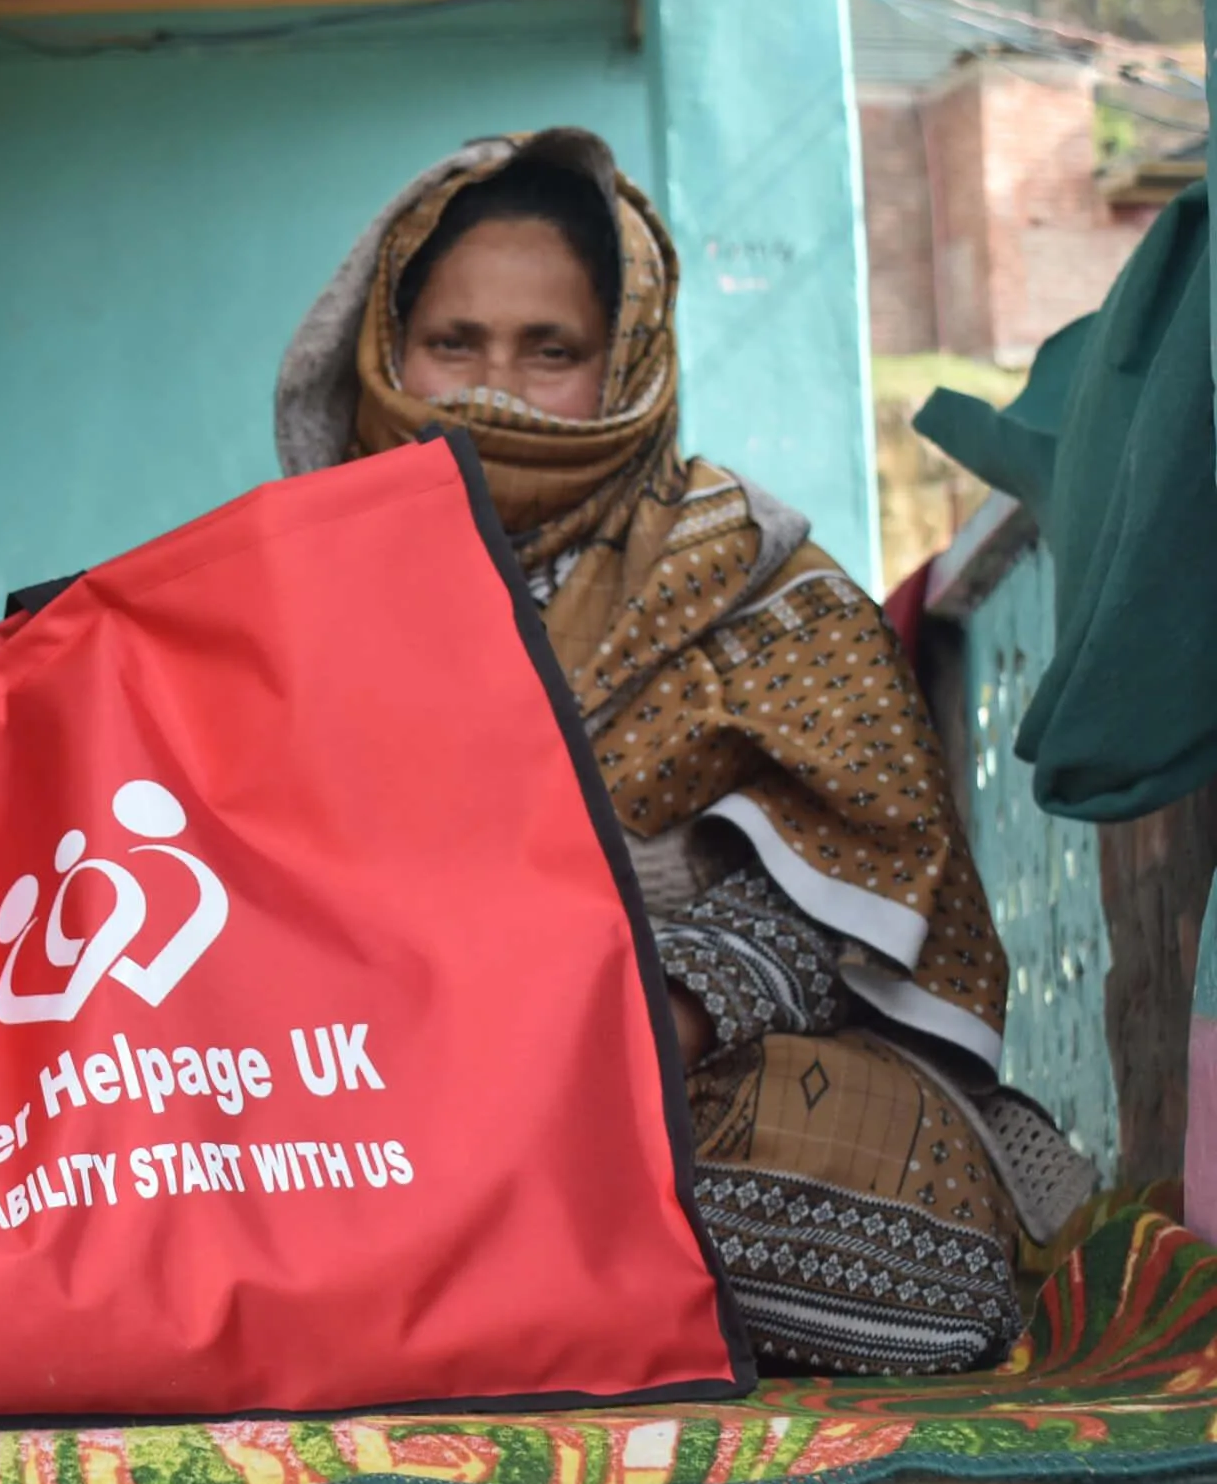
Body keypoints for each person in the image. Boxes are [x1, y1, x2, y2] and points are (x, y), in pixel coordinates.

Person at [276, 128, 1088, 1376]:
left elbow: (865, 880)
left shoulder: (750, 578)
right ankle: (467, 1265)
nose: (496, 387)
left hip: (655, 1076)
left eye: (552, 350)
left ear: (628, 360)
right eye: (454, 343)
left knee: (914, 1237)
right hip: (356, 1081)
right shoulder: (287, 589)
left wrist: (662, 1011)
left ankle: (437, 1279)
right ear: (387, 350)